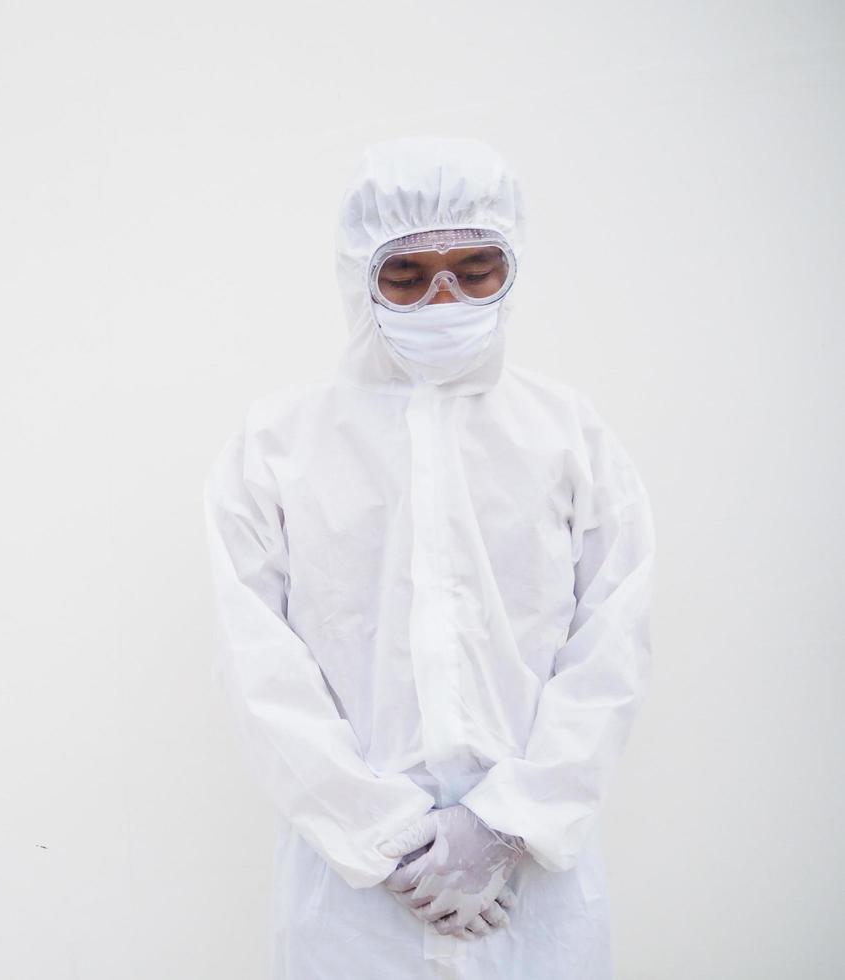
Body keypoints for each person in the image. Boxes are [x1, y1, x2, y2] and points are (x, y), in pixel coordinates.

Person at [201, 136, 655, 979]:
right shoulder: (277, 444)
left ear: (511, 268)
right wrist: (386, 836)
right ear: (357, 279)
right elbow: (257, 662)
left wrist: (510, 820)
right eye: (406, 276)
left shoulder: (567, 434)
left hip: (535, 880)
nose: (443, 297)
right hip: (355, 890)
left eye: (475, 269)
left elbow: (613, 641)